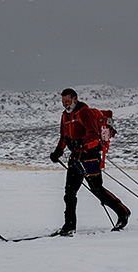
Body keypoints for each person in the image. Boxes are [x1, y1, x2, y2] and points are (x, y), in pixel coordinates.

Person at [49, 88, 130, 235]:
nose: (65, 104)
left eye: (67, 101)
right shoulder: (65, 116)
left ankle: (123, 212)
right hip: (75, 158)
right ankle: (69, 226)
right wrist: (58, 152)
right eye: (63, 102)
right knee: (69, 193)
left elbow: (94, 135)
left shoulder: (85, 113)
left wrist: (79, 142)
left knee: (97, 190)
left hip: (90, 157)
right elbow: (63, 137)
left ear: (75, 99)